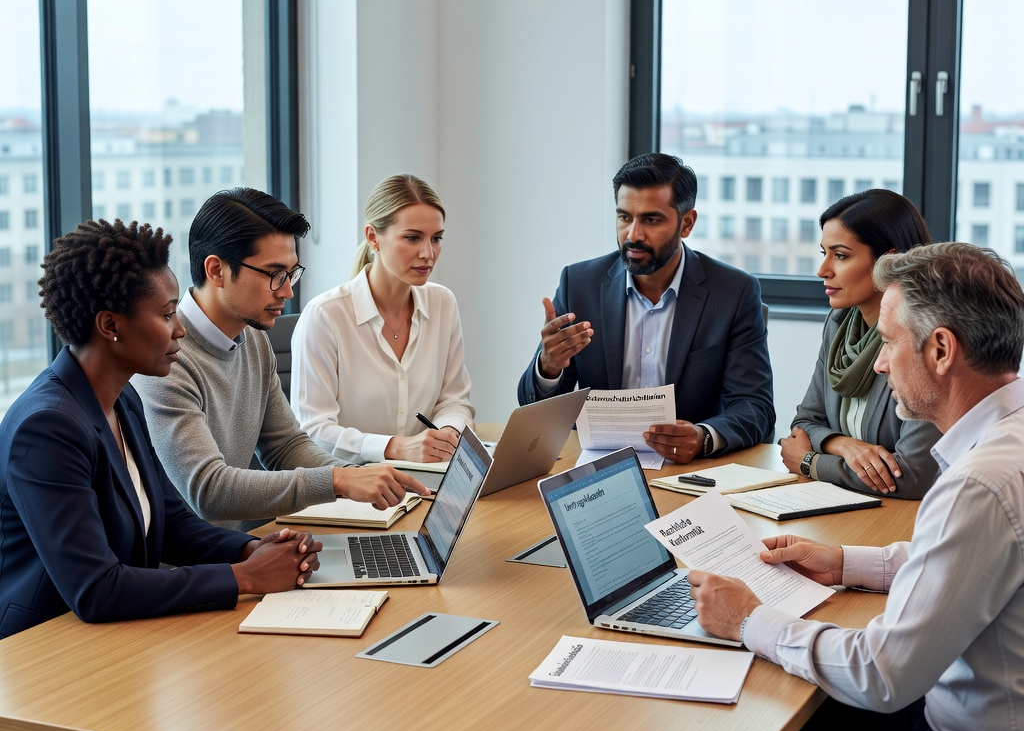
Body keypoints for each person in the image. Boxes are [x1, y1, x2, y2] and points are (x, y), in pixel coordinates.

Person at [685, 242, 1024, 731]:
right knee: (814, 722)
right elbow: (968, 567)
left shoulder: (981, 485)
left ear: (940, 351)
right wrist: (842, 563)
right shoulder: (1006, 444)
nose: (877, 362)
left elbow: (883, 674)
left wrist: (749, 619)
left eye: (889, 342)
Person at [0, 219, 322, 731]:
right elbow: (96, 588)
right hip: (40, 669)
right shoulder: (46, 426)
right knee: (245, 716)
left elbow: (168, 522)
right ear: (112, 324)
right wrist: (244, 580)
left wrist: (251, 551)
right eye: (168, 313)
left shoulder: (118, 402)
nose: (180, 329)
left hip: (110, 643)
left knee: (270, 681)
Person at [133, 188, 429, 532]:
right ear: (216, 270)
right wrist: (339, 481)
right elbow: (208, 490)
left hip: (237, 552)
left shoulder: (253, 338)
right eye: (274, 274)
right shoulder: (164, 360)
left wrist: (359, 479)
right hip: (182, 573)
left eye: (292, 273)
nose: (287, 291)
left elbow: (285, 446)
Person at [516, 152, 775, 462]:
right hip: (601, 468)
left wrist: (703, 436)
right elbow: (536, 411)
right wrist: (548, 366)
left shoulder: (733, 292)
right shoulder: (579, 283)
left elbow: (755, 406)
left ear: (686, 223)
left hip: (689, 472)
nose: (634, 235)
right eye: (625, 217)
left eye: (651, 220)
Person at [291, 174, 474, 464]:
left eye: (436, 238)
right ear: (373, 237)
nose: (428, 253)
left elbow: (454, 400)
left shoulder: (443, 303)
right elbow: (314, 431)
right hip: (350, 488)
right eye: (412, 238)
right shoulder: (325, 316)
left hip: (426, 476)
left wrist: (445, 435)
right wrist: (394, 448)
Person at [780, 189, 940, 497]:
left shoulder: (924, 337)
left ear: (889, 261)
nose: (822, 270)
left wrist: (811, 462)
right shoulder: (840, 323)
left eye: (840, 256)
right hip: (847, 505)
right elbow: (804, 422)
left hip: (906, 521)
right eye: (823, 253)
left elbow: (912, 474)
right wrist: (843, 444)